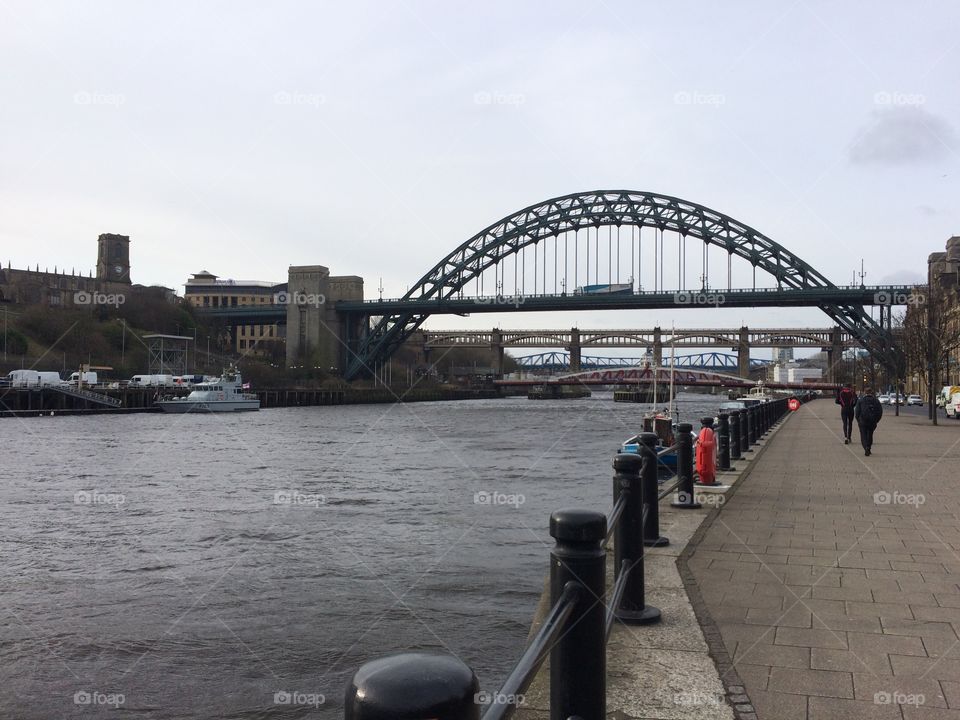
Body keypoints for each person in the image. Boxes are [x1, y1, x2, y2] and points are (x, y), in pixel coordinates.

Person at [854, 387, 883, 456]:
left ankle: (866, 447)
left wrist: (858, 420)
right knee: (870, 434)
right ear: (871, 392)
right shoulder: (876, 400)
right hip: (872, 421)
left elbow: (857, 412)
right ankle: (869, 447)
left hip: (863, 421)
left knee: (863, 435)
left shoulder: (861, 400)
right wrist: (876, 420)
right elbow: (880, 412)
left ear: (864, 392)